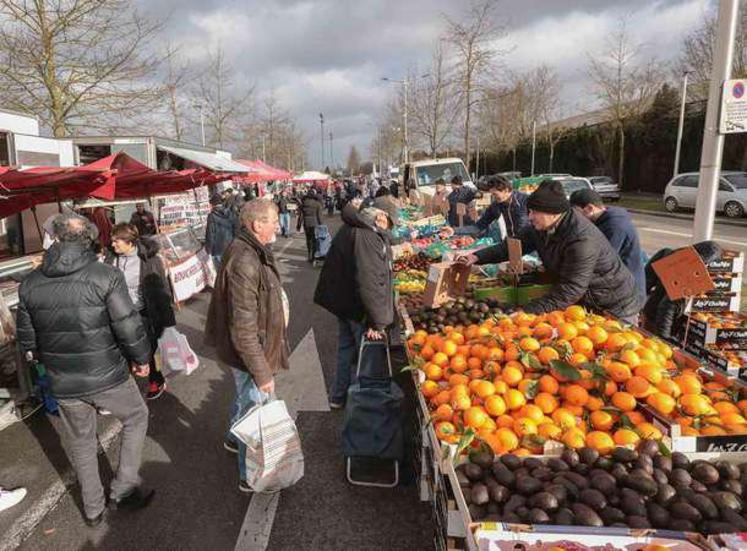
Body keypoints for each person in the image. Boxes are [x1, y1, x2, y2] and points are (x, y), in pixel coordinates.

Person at [16, 214, 153, 526]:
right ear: (87, 239)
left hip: (63, 380)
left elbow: (28, 341)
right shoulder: (105, 275)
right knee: (136, 416)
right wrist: (141, 358)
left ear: (54, 239)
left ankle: (93, 509)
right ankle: (123, 488)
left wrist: (48, 364)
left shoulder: (31, 283)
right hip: (108, 375)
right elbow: (128, 325)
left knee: (81, 441)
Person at [458, 180, 640, 323]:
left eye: (534, 212)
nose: (529, 217)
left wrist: (527, 311)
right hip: (585, 302)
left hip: (615, 304)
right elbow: (510, 247)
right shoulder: (540, 228)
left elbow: (571, 288)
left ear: (553, 213)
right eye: (529, 211)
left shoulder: (581, 239)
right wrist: (476, 256)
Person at [204, 199, 290, 493]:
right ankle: (250, 476)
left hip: (250, 349)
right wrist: (262, 372)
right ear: (257, 225)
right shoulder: (245, 260)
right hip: (253, 352)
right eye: (274, 219)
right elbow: (243, 329)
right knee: (256, 412)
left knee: (245, 399)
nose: (279, 224)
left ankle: (232, 437)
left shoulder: (249, 249)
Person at [314, 205, 394, 409]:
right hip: (358, 308)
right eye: (386, 220)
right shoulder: (366, 237)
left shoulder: (353, 228)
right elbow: (370, 283)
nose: (388, 226)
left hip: (344, 303)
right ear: (378, 218)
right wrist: (378, 322)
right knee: (365, 357)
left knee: (346, 350)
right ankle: (361, 407)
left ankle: (338, 396)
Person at [106, 223, 176, 401]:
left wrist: (168, 324)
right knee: (123, 350)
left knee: (152, 349)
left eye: (117, 241)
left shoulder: (150, 260)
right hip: (118, 315)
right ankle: (126, 384)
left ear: (130, 242)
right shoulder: (110, 258)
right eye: (112, 241)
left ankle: (157, 379)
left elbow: (163, 291)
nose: (113, 245)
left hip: (144, 313)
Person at [570, 188, 646, 304]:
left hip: (626, 295)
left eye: (577, 213)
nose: (575, 218)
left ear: (590, 208)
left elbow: (600, 262)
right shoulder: (601, 221)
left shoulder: (614, 227)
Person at [642, 241, 722, 342]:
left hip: (652, 313)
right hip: (661, 322)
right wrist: (663, 337)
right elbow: (667, 306)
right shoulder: (690, 271)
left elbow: (646, 281)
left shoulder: (671, 254)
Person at [442, 175, 529, 239]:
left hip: (531, 247)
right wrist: (454, 230)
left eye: (495, 194)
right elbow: (478, 227)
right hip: (513, 245)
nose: (493, 197)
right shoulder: (496, 206)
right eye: (492, 194)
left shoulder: (525, 201)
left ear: (506, 190)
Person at [205, 194, 239, 267]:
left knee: (221, 271)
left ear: (212, 204)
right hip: (230, 246)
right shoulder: (230, 213)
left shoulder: (211, 216)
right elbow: (236, 228)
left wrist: (208, 250)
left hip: (218, 248)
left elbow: (210, 234)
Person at [296, 189, 323, 262]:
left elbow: (300, 216)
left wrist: (298, 225)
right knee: (314, 240)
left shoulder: (304, 204)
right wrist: (321, 225)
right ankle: (313, 256)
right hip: (315, 223)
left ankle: (309, 255)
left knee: (308, 240)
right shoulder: (317, 204)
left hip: (306, 223)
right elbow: (319, 216)